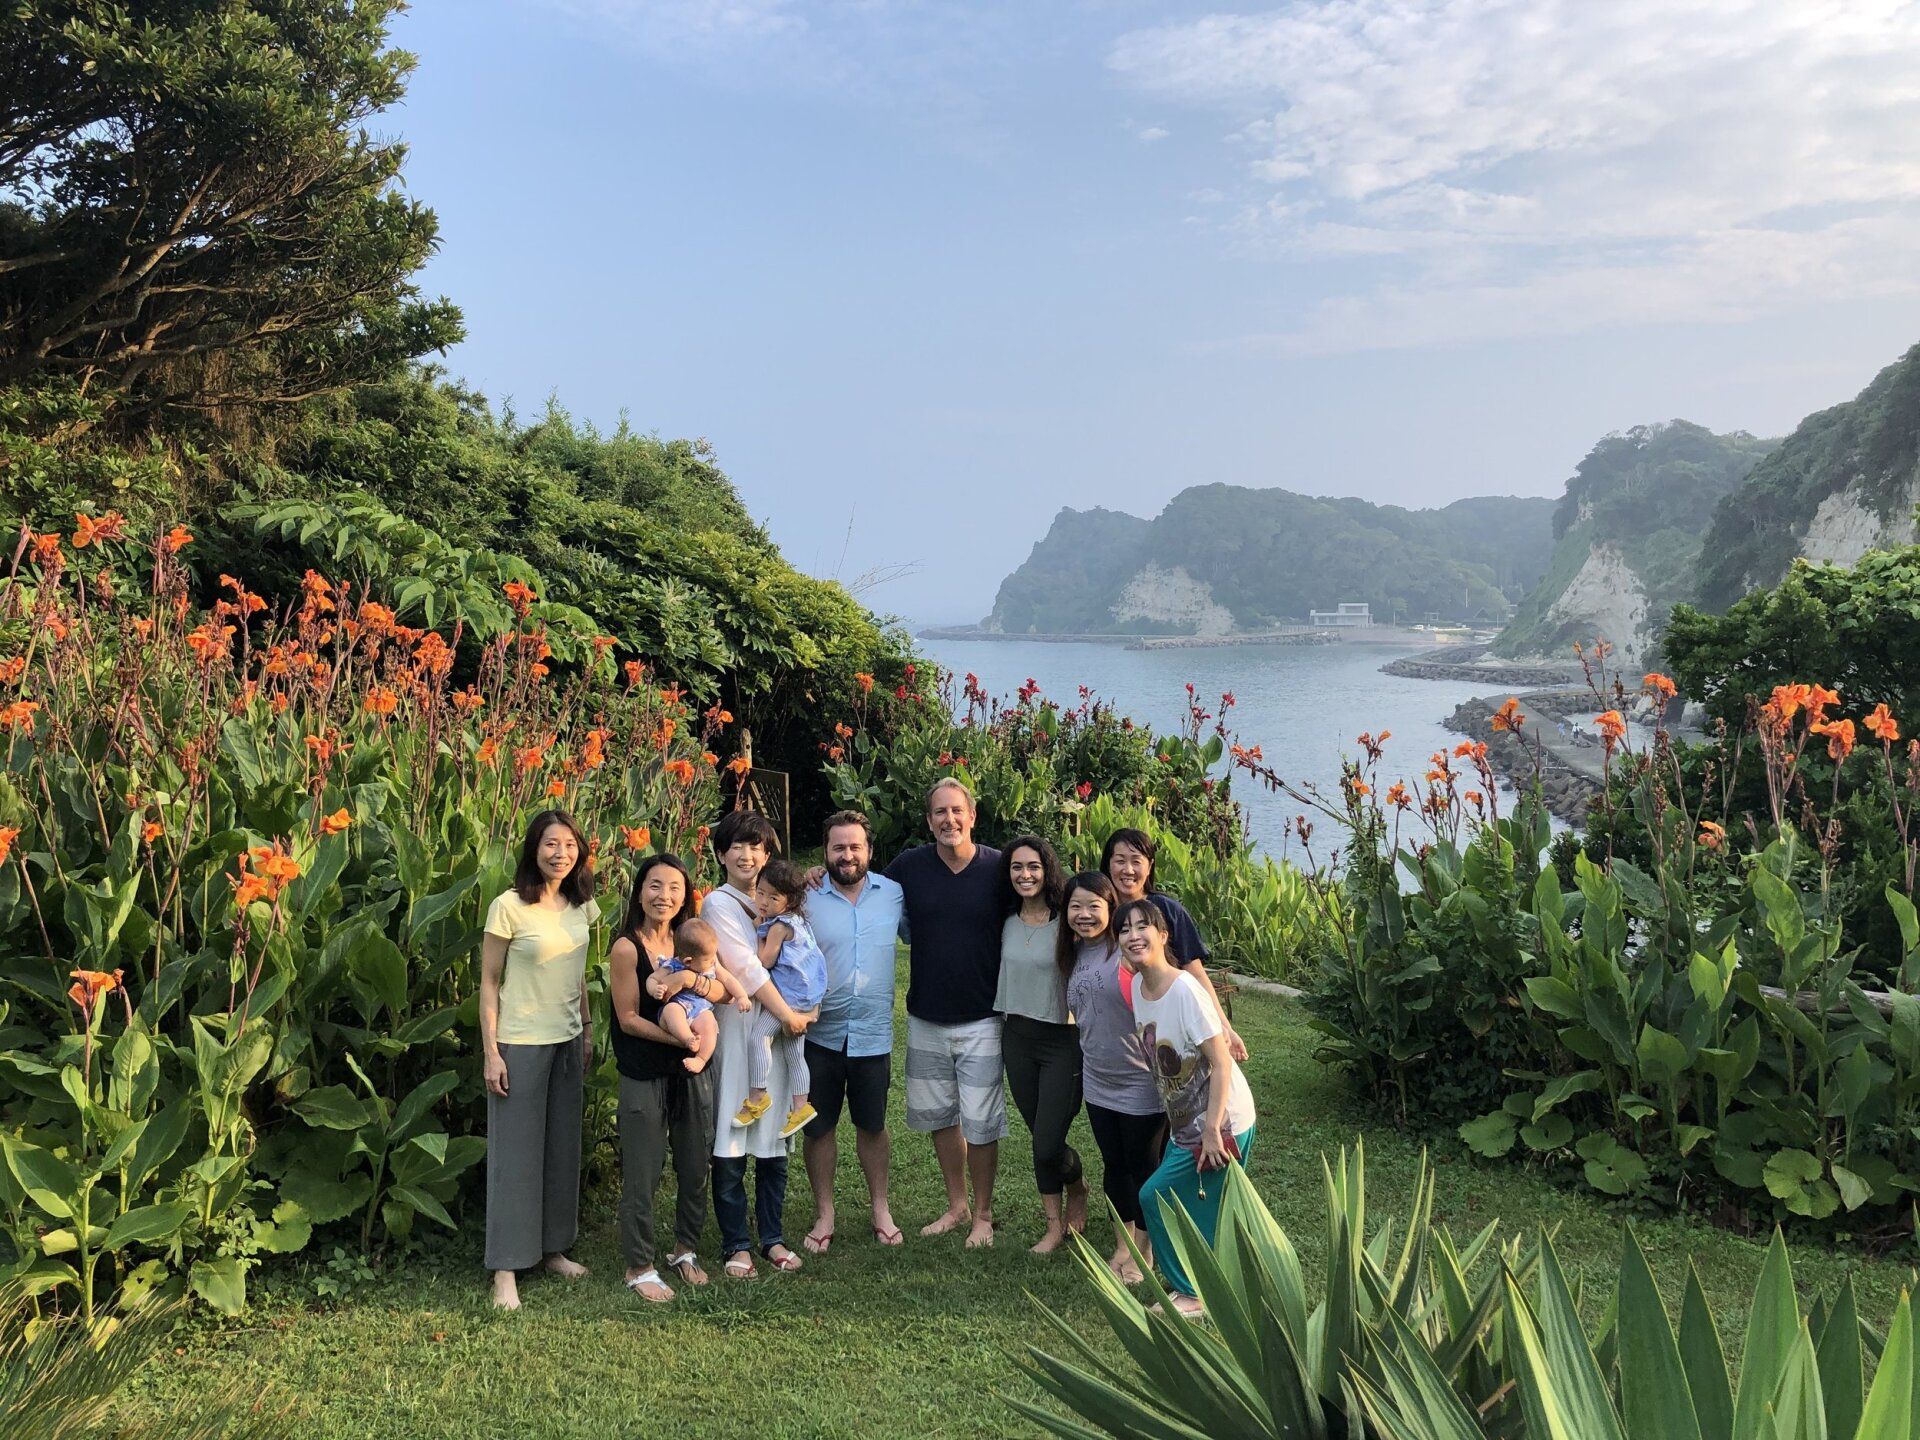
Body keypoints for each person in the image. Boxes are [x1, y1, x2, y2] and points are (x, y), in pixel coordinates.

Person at [478, 809, 598, 1311]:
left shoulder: (582, 906)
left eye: (570, 846)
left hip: (568, 1039)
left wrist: (588, 1028)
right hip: (520, 1042)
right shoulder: (508, 907)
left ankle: (552, 1249)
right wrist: (490, 1051)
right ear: (534, 849)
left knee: (560, 1149)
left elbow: (580, 973)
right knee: (515, 1156)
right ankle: (505, 1268)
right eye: (551, 844)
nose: (560, 854)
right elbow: (487, 981)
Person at [1118, 898, 1257, 1318]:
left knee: (1155, 1194)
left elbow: (1220, 1062)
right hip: (1189, 1125)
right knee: (1204, 1204)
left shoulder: (1185, 991)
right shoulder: (1142, 992)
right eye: (1124, 929)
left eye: (1143, 926)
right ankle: (1216, 1283)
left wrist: (1214, 1128)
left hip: (1221, 1120)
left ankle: (1192, 1294)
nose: (1133, 935)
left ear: (1163, 936)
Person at [886, 778, 1006, 1247]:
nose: (948, 820)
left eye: (957, 811)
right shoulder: (908, 868)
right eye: (939, 813)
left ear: (972, 816)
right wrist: (815, 877)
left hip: (984, 1017)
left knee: (981, 1121)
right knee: (941, 1117)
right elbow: (861, 887)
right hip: (926, 1016)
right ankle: (956, 1205)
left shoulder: (998, 868)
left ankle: (983, 1214)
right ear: (928, 820)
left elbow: (1045, 897)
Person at [608, 856, 725, 1303]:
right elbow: (628, 1018)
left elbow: (720, 989)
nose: (665, 896)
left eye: (675, 888)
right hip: (644, 1070)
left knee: (696, 1163)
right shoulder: (626, 948)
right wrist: (680, 1040)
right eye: (655, 886)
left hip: (691, 1073)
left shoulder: (692, 939)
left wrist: (694, 981)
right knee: (644, 1169)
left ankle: (685, 1250)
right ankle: (639, 1265)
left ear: (686, 896)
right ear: (640, 892)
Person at [699, 808, 810, 1277]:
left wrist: (806, 1008)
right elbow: (745, 966)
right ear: (721, 854)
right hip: (739, 1030)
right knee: (731, 1134)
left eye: (757, 846)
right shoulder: (718, 904)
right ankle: (735, 1244)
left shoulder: (778, 905)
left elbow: (806, 958)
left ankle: (772, 1238)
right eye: (737, 846)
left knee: (771, 1138)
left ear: (768, 855)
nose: (747, 855)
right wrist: (788, 1014)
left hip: (776, 1041)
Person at [802, 809, 906, 1254]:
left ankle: (880, 1208)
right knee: (818, 1127)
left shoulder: (894, 894)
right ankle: (825, 1211)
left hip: (872, 1035)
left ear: (869, 850)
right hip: (818, 1034)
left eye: (854, 846)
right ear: (825, 852)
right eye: (838, 847)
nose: (847, 855)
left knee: (872, 1124)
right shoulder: (804, 898)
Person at [1059, 869, 1163, 1285]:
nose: (1084, 915)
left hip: (1140, 1080)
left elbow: (1169, 993)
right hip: (1097, 1079)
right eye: (1075, 906)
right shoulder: (1072, 953)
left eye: (1094, 906)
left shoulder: (1127, 952)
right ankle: (1123, 1244)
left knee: (1143, 1167)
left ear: (1111, 908)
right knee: (1114, 1165)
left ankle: (1146, 1249)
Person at [995, 834, 1088, 1254]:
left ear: (1047, 870)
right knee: (1040, 1138)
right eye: (1017, 867)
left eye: (1033, 866)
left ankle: (1073, 1195)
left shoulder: (1068, 923)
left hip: (1061, 1042)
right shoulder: (1003, 918)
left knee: (1046, 1142)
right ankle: (1057, 1216)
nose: (1025, 874)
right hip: (1016, 1038)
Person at [1101, 828, 1246, 1061]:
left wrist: (1224, 1026)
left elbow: (1196, 975)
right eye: (1120, 861)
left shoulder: (1168, 910)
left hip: (1166, 1023)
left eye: (1136, 862)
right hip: (1114, 1033)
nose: (1128, 870)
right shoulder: (1100, 913)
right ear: (1108, 864)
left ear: (1149, 867)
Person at [735, 858, 826, 1138]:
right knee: (794, 1053)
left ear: (791, 900)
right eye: (760, 892)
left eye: (773, 897)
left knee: (759, 1037)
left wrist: (758, 932)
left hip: (788, 997)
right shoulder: (798, 920)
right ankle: (801, 1106)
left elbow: (765, 961)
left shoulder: (777, 927)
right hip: (807, 996)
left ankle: (758, 1095)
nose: (763, 901)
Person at [655, 914, 751, 1074]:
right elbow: (654, 979)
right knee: (672, 1011)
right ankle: (688, 1039)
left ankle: (701, 1058)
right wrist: (655, 989)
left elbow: (727, 979)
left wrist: (742, 996)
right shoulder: (672, 965)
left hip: (699, 1011)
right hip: (678, 1007)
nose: (713, 961)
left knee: (710, 1024)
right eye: (708, 959)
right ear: (688, 961)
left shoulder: (711, 963)